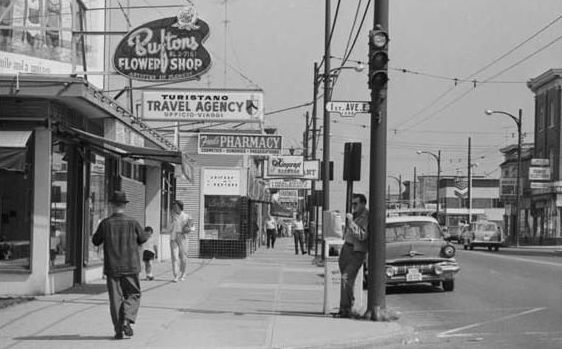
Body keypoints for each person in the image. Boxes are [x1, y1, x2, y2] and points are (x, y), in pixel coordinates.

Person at [92, 191, 149, 339]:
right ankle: (127, 318)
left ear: (111, 205)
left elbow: (95, 241)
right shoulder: (133, 222)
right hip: (131, 265)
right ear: (124, 205)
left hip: (112, 267)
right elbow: (143, 239)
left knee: (115, 298)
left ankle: (118, 330)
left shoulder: (105, 223)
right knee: (133, 294)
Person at [336, 193, 369, 318]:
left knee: (346, 278)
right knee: (346, 281)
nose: (353, 206)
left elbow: (362, 236)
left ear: (363, 203)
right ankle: (347, 306)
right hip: (347, 248)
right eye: (352, 204)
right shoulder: (356, 215)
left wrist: (351, 223)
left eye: (356, 204)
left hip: (357, 252)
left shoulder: (367, 216)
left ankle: (346, 309)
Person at [165, 200, 193, 282]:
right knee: (174, 257)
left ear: (180, 207)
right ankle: (176, 275)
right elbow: (168, 229)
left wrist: (188, 229)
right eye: (174, 206)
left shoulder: (187, 216)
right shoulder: (171, 216)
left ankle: (183, 273)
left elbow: (192, 227)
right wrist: (172, 223)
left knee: (183, 258)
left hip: (183, 237)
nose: (175, 208)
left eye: (176, 206)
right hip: (173, 237)